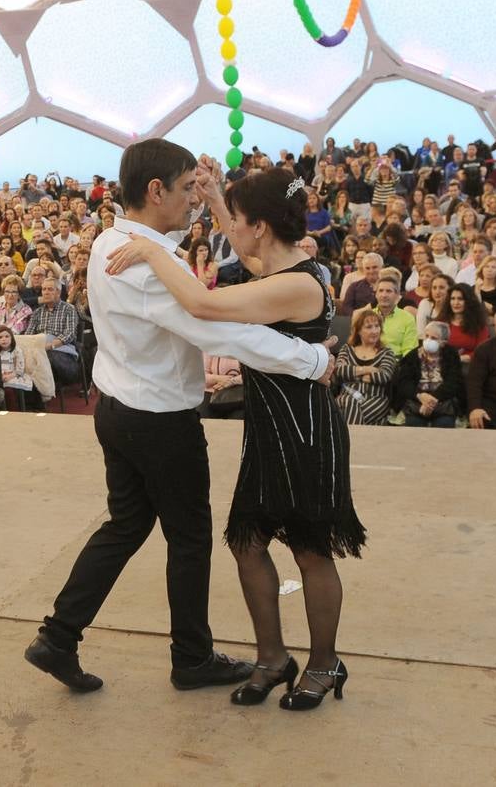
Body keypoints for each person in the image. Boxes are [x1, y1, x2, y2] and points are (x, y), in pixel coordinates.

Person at [91, 157, 353, 711]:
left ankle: (325, 662)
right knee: (248, 543)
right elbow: (250, 249)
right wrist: (216, 199)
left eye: (233, 218)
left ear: (257, 226)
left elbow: (205, 305)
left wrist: (153, 251)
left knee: (309, 549)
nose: (221, 226)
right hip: (268, 424)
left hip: (304, 429)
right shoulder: (274, 266)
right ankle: (272, 657)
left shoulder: (299, 282)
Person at [332, 308, 398, 426]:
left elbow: (384, 376)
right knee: (349, 401)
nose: (374, 331)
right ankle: (358, 440)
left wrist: (354, 374)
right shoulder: (347, 349)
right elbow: (339, 370)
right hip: (346, 397)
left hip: (375, 399)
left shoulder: (386, 352)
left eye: (377, 326)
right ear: (358, 331)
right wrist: (367, 370)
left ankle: (351, 441)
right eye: (369, 327)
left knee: (346, 412)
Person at [394, 321, 464, 428]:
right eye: (426, 336)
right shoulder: (413, 355)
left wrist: (432, 399)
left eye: (434, 338)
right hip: (417, 402)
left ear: (443, 342)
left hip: (442, 402)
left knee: (444, 427)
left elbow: (454, 382)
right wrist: (421, 396)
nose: (428, 340)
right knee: (414, 426)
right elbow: (404, 382)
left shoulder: (451, 354)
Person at [366, 275, 418, 356]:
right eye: (381, 291)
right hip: (369, 361)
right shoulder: (366, 317)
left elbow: (409, 350)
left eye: (388, 291)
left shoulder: (407, 318)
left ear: (397, 295)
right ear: (376, 295)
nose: (384, 295)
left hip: (396, 363)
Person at [0, 325, 34, 409]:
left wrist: (10, 376)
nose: (4, 339)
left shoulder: (16, 350)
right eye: (0, 337)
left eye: (7, 336)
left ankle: (13, 410)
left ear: (12, 338)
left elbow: (20, 368)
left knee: (8, 390)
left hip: (13, 375)